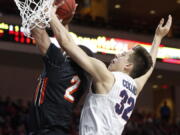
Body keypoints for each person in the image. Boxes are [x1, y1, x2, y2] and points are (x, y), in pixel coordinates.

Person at [49, 5, 172, 135]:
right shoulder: (134, 89)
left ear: (128, 66)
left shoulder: (107, 78)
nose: (117, 55)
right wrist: (158, 38)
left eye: (123, 55)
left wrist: (50, 12)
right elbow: (148, 71)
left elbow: (66, 43)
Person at [25, 16, 94, 135]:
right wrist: (64, 22)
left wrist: (42, 9)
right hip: (55, 130)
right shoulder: (85, 80)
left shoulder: (59, 63)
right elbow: (66, 45)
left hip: (46, 130)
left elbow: (38, 33)